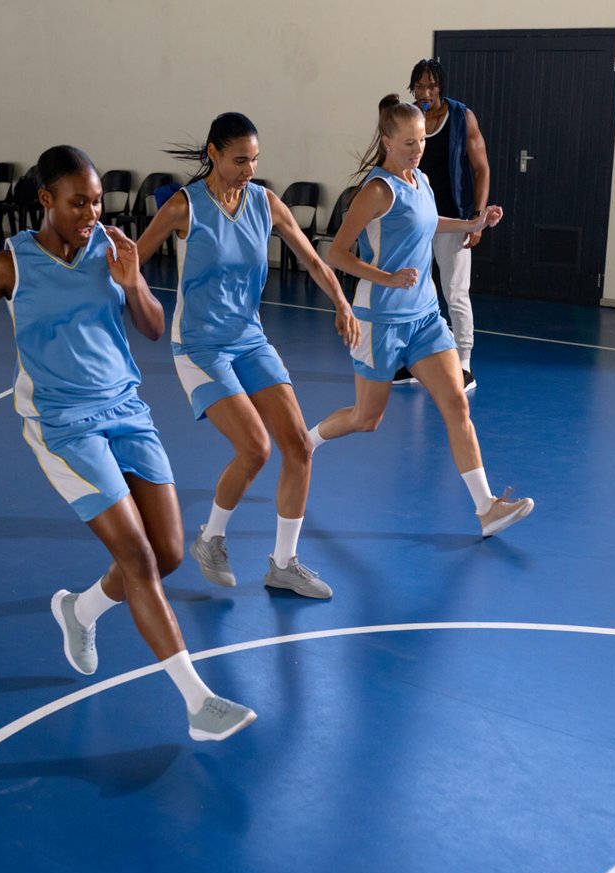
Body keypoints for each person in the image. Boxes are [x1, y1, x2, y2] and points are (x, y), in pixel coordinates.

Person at [0, 145, 257, 743]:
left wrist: (132, 282)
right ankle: (198, 703)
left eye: (97, 201)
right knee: (139, 558)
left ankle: (81, 610)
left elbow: (153, 329)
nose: (91, 213)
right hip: (64, 424)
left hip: (127, 412)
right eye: (79, 202)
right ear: (46, 201)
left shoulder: (111, 250)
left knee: (170, 553)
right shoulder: (9, 265)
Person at [134, 112, 360, 599]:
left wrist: (342, 303)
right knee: (255, 448)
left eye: (255, 159)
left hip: (249, 340)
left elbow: (314, 259)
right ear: (213, 153)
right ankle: (210, 538)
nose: (249, 169)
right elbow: (131, 264)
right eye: (240, 160)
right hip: (199, 347)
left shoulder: (265, 203)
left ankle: (283, 563)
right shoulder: (182, 208)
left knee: (297, 446)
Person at [308, 96, 533, 539]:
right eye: (408, 142)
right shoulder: (376, 192)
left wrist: (473, 224)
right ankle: (307, 440)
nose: (417, 149)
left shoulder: (422, 180)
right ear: (387, 141)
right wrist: (386, 277)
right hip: (380, 320)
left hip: (425, 317)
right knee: (366, 418)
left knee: (455, 403)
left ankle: (486, 507)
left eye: (422, 141)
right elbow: (336, 253)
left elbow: (429, 223)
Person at [394, 57, 491, 393]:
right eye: (419, 85)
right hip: (416, 220)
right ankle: (411, 359)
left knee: (454, 292)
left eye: (431, 85)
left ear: (441, 87)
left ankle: (464, 362)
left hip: (454, 219)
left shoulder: (462, 117)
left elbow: (481, 169)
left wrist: (476, 219)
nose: (425, 91)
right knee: (413, 290)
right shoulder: (409, 119)